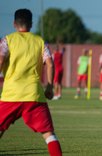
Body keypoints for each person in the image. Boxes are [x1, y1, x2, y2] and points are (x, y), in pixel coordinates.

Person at [0, 9, 62, 155]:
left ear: (15, 24)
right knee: (49, 135)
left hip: (11, 95)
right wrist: (49, 87)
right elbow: (50, 64)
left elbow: (1, 60)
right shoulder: (40, 41)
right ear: (31, 24)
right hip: (34, 95)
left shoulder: (7, 40)